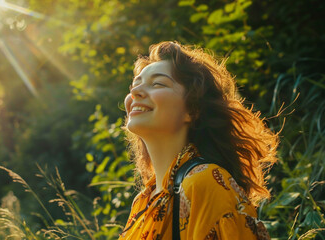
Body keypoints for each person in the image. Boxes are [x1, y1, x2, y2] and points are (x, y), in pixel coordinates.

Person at [119, 41, 278, 240]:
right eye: (135, 85)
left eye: (157, 83)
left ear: (192, 110)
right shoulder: (144, 201)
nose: (135, 93)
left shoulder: (206, 181)